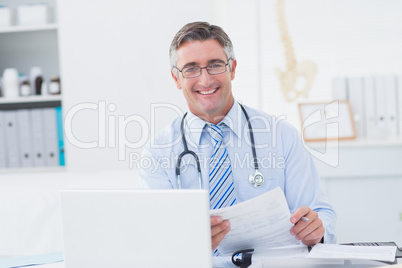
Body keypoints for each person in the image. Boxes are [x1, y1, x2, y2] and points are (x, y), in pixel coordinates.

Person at [139, 21, 336, 253]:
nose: (205, 80)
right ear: (176, 78)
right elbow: (154, 237)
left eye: (215, 65)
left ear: (232, 69)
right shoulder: (158, 152)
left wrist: (317, 231)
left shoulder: (282, 136)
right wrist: (188, 244)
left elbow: (320, 213)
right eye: (191, 68)